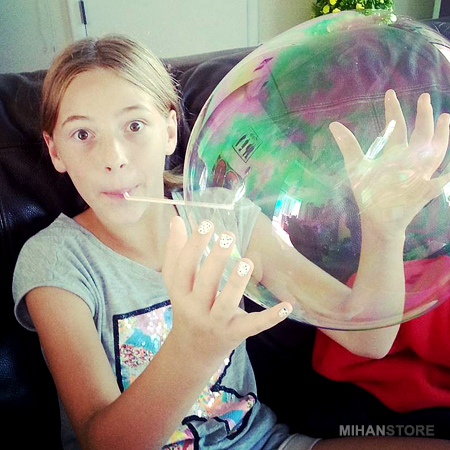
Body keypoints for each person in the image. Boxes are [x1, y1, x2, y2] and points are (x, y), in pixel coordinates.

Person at [11, 35, 450, 450]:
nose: (114, 158)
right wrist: (192, 349)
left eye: (135, 125)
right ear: (55, 150)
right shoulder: (56, 260)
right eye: (83, 134)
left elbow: (368, 338)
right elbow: (104, 443)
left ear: (169, 131)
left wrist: (384, 230)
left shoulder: (224, 215)